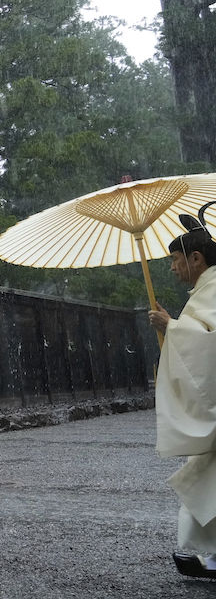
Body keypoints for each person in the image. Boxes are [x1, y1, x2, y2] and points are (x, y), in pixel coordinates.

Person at [148, 208, 216, 579]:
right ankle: (213, 556)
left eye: (176, 259)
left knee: (208, 479)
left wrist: (172, 327)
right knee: (207, 479)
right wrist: (173, 327)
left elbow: (209, 346)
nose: (173, 267)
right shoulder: (205, 291)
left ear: (196, 258)